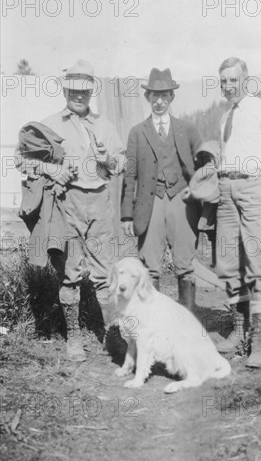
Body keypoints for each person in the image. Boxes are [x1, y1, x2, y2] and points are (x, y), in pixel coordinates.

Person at [15, 59, 126, 362]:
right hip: (67, 205)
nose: (79, 96)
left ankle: (112, 335)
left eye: (85, 91)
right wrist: (52, 169)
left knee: (105, 272)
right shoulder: (50, 123)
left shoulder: (105, 125)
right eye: (74, 90)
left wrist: (108, 160)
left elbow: (122, 163)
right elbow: (20, 160)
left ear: (92, 91)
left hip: (100, 203)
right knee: (70, 273)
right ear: (65, 89)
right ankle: (74, 336)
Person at [215, 57, 261, 368]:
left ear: (246, 80)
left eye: (234, 80)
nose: (229, 86)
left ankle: (260, 343)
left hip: (256, 190)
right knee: (228, 264)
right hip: (226, 192)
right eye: (224, 82)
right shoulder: (224, 118)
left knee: (259, 266)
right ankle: (239, 331)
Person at [121, 67, 202, 311]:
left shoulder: (187, 129)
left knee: (185, 263)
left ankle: (186, 322)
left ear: (171, 97)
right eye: (154, 96)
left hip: (182, 199)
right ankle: (154, 323)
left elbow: (203, 165)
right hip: (151, 201)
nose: (159, 101)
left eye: (164, 95)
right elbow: (130, 174)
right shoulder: (137, 132)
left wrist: (197, 191)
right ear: (147, 98)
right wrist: (127, 214)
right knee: (150, 263)